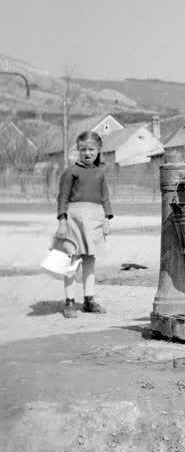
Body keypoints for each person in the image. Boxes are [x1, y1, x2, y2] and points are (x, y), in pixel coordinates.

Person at [55, 131, 112, 318]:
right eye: (83, 149)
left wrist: (107, 219)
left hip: (94, 219)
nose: (87, 153)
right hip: (74, 219)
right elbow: (62, 197)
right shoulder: (71, 171)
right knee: (72, 260)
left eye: (91, 149)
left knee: (90, 259)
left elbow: (105, 197)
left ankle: (89, 300)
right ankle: (69, 302)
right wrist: (62, 221)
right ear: (78, 150)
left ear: (98, 150)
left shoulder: (100, 171)